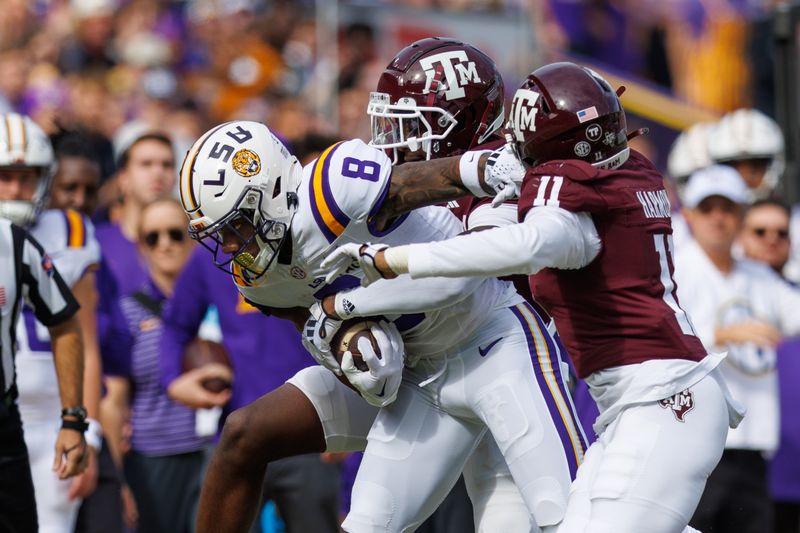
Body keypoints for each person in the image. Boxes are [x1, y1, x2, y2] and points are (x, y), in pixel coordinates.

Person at [325, 62, 745, 533]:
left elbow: (525, 244)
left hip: (665, 398)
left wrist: (392, 262)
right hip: (638, 402)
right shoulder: (633, 173)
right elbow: (516, 232)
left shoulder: (567, 204)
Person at [181, 58, 583, 533]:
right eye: (220, 234)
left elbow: (414, 184)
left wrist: (484, 167)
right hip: (419, 378)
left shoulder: (328, 191)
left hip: (492, 341)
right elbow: (313, 324)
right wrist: (347, 349)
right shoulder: (256, 276)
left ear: (269, 191)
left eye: (237, 226)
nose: (230, 247)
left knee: (570, 516)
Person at [671, 167, 800, 533]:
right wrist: (721, 333)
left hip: (753, 444)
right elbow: (653, 339)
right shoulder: (675, 269)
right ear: (690, 215)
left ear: (741, 216)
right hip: (693, 442)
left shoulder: (759, 276)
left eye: (727, 208)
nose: (718, 218)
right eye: (707, 207)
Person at [0, 113, 104, 533]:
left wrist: (85, 428)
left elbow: (80, 336)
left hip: (50, 419)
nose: (16, 189)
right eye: (6, 176)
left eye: (28, 177)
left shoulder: (68, 230)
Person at [101, 198, 212, 533]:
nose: (165, 244)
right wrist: (118, 480)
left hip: (220, 450)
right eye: (153, 237)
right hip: (154, 458)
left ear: (192, 239)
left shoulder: (220, 301)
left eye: (176, 234)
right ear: (141, 247)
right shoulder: (127, 312)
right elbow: (115, 400)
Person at [49, 132, 136, 533]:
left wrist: (100, 452)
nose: (80, 200)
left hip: (85, 424)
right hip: (38, 424)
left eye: (89, 189)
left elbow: (102, 369)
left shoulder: (97, 263)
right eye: (68, 187)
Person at [738, 198, 800, 533]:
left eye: (781, 232)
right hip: (746, 464)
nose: (771, 239)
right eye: (759, 231)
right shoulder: (716, 293)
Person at [95, 132, 175, 297]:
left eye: (167, 165)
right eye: (146, 164)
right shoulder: (96, 243)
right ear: (123, 178)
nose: (158, 172)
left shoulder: (195, 247)